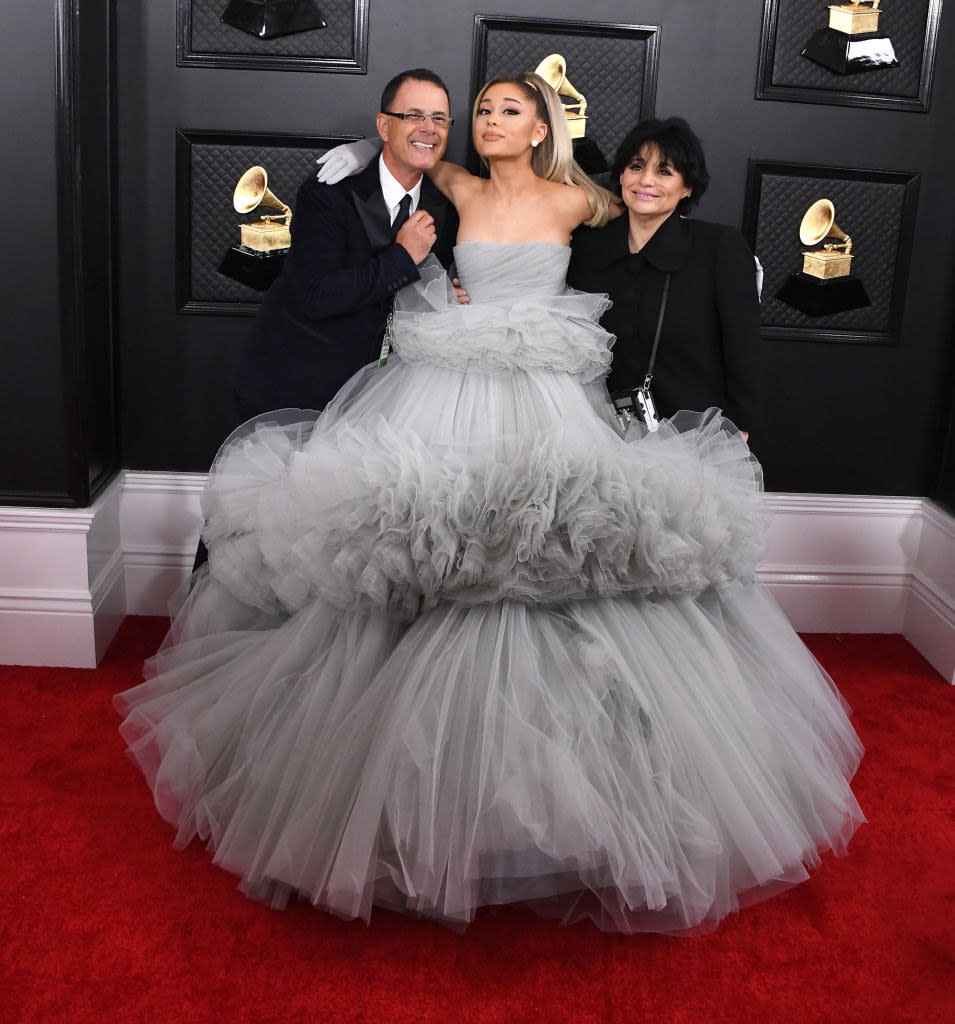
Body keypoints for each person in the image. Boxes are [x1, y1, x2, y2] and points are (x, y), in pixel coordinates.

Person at [115, 73, 863, 935]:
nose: (487, 122)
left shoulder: (578, 200)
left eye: (508, 110)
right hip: (445, 387)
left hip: (547, 395)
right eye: (481, 112)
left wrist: (720, 255)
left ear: (543, 125)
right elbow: (403, 157)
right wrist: (363, 148)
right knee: (423, 545)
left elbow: (651, 220)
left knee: (559, 551)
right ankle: (403, 792)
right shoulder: (456, 185)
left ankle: (580, 795)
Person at [231, 68, 459, 419]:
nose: (428, 127)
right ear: (384, 126)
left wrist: (446, 295)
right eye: (414, 115)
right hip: (300, 383)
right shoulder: (328, 195)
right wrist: (402, 256)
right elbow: (316, 295)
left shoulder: (446, 207)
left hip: (385, 397)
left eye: (439, 119)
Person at [567, 117, 762, 440]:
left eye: (664, 172)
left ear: (687, 187)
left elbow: (743, 347)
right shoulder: (587, 245)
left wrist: (739, 426)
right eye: (636, 166)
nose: (646, 181)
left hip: (694, 431)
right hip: (597, 431)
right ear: (621, 174)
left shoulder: (718, 247)